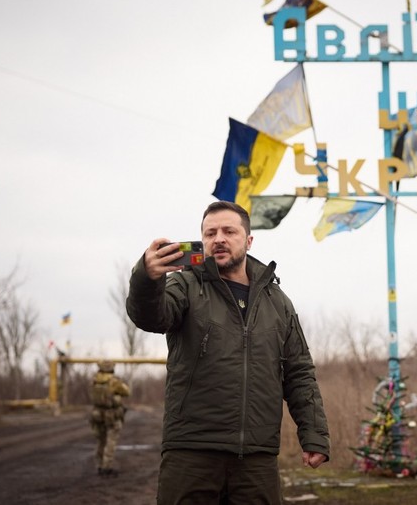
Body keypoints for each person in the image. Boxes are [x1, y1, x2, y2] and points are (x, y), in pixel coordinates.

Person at [126, 200, 330, 504]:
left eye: (228, 231)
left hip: (256, 459)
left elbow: (299, 372)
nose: (218, 238)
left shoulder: (277, 302)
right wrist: (146, 277)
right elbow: (151, 317)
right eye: (210, 233)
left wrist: (313, 433)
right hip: (192, 453)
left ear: (248, 241)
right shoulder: (185, 285)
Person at [89, 360, 130, 477]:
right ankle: (107, 467)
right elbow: (127, 392)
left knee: (100, 441)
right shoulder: (114, 382)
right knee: (110, 442)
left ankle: (99, 466)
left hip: (97, 415)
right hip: (112, 415)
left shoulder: (94, 381)